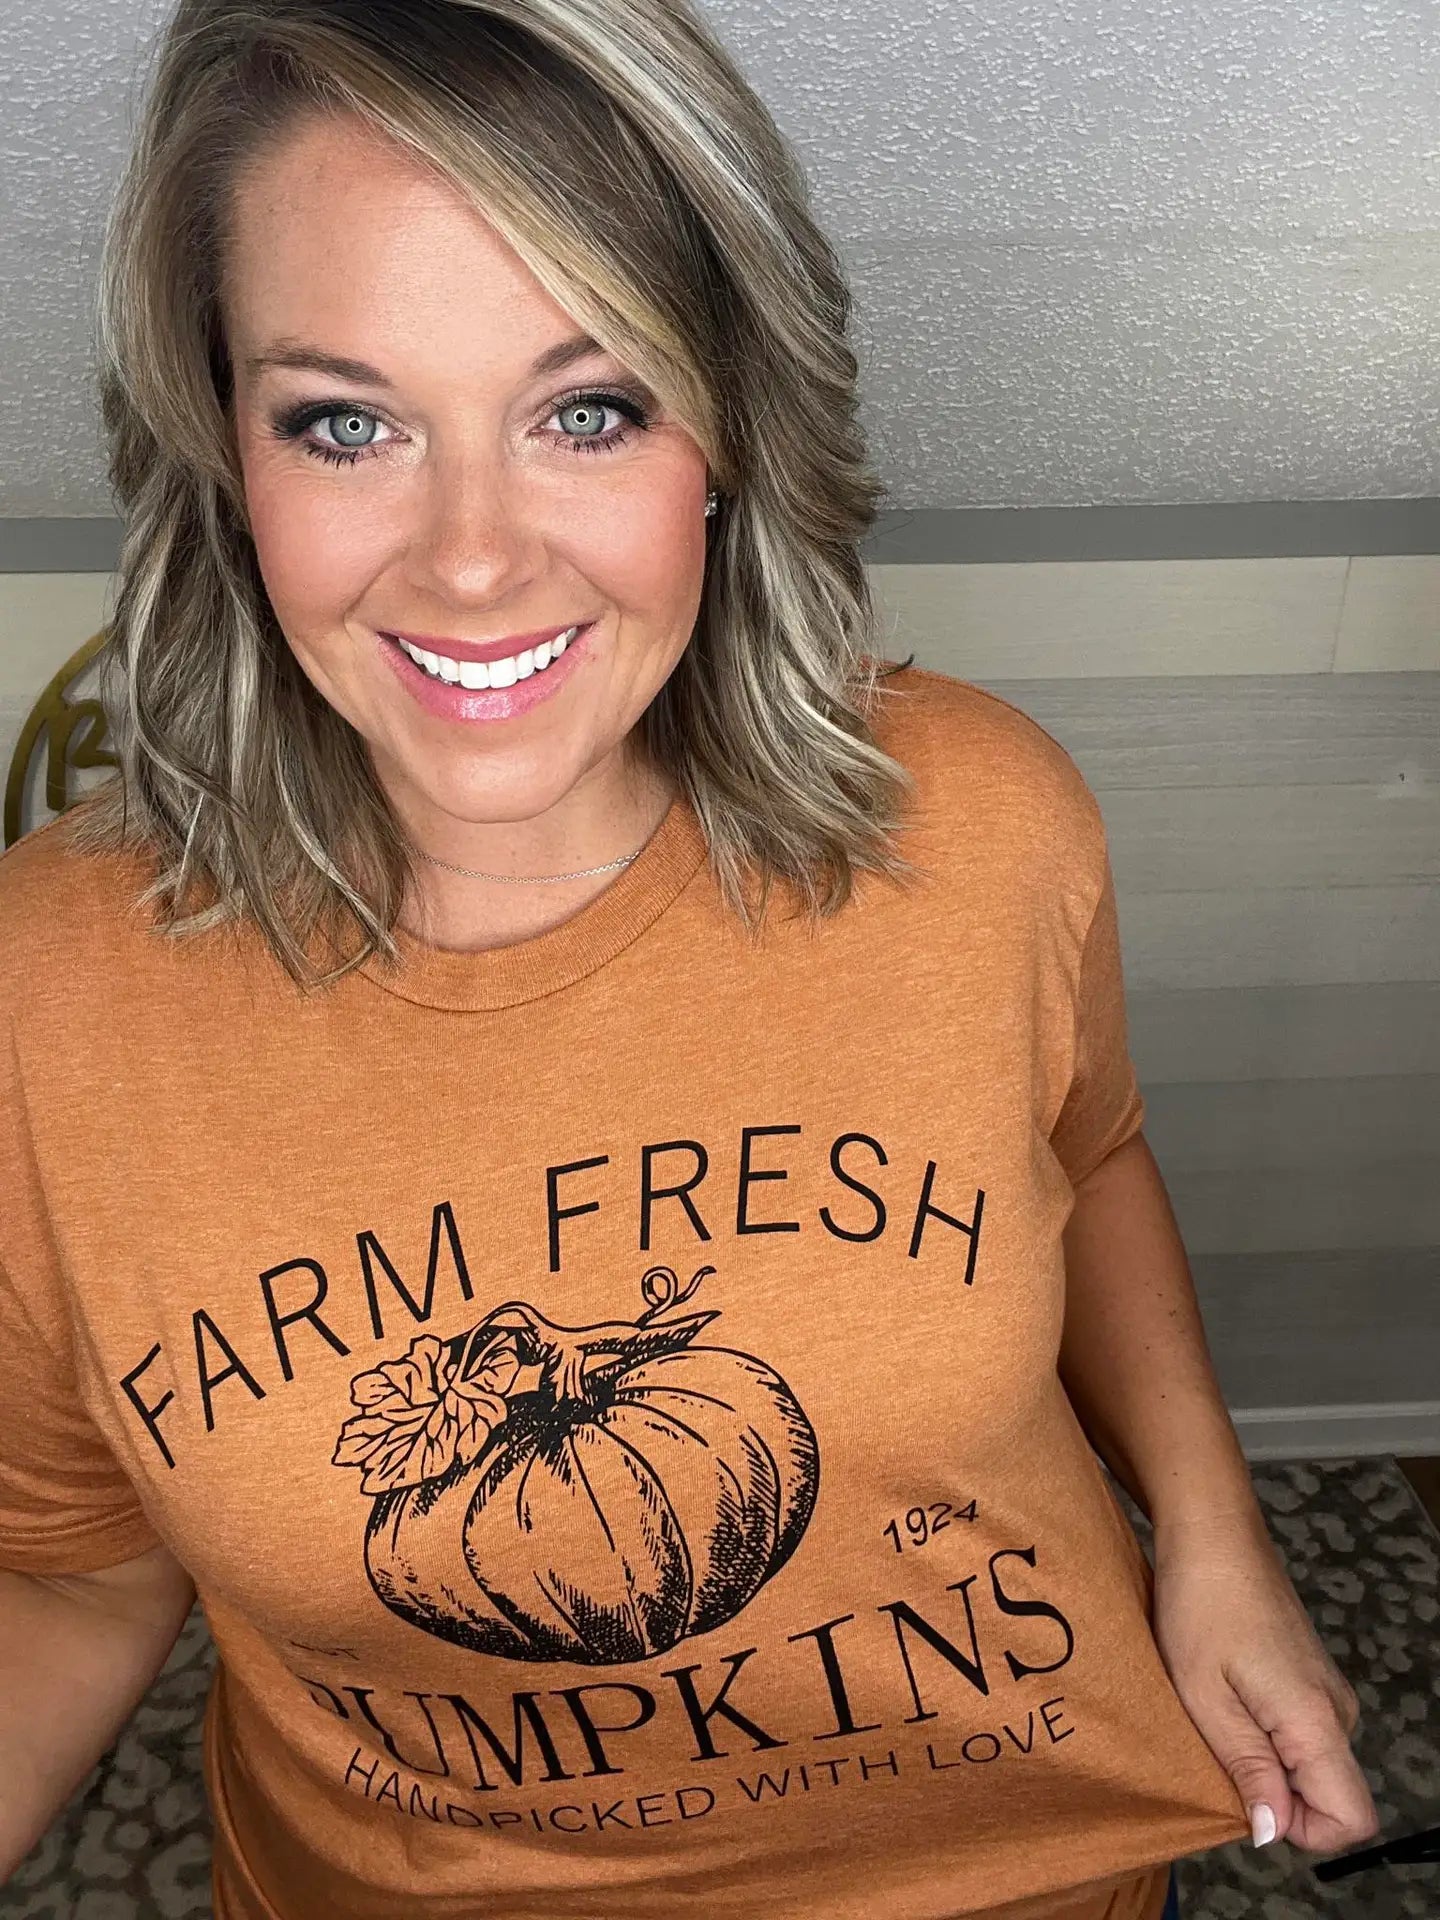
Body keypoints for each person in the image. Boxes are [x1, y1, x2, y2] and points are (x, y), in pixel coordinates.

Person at [0, 2, 1380, 1916]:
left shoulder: (976, 823)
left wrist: (1214, 1536)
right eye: (346, 420)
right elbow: (72, 1563)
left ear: (728, 429)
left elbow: (1080, 1151)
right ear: (223, 451)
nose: (473, 560)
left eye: (590, 407)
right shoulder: (42, 1000)